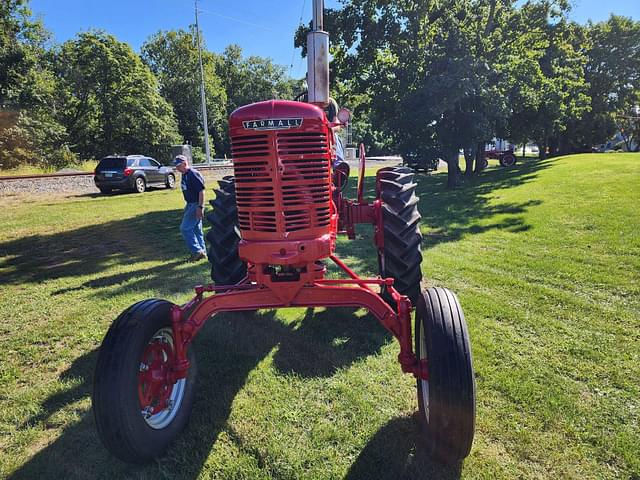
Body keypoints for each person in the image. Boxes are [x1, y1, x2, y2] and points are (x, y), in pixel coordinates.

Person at [173, 155, 207, 262]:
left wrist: (200, 207)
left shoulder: (193, 174)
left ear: (184, 163)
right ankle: (202, 252)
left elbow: (201, 191)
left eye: (178, 165)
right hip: (190, 204)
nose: (177, 168)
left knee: (185, 228)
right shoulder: (185, 174)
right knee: (197, 229)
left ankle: (197, 251)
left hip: (195, 204)